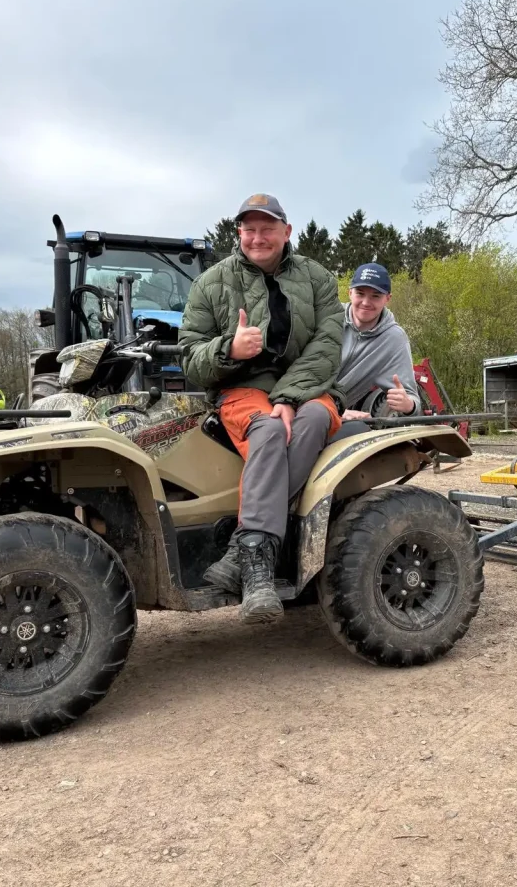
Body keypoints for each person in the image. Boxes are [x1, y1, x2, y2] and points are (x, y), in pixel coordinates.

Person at [179, 193, 345, 624]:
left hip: (310, 387)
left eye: (267, 228)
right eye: (249, 229)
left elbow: (327, 346)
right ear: (239, 234)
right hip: (243, 387)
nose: (258, 237)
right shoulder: (211, 283)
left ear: (286, 232)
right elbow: (190, 359)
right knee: (268, 432)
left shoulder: (319, 279)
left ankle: (243, 551)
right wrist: (228, 349)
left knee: (311, 419)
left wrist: (289, 397)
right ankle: (259, 573)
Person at [337, 263, 421, 421]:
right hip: (299, 402)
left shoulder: (394, 339)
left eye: (375, 296)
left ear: (387, 299)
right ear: (350, 293)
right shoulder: (328, 317)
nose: (366, 302)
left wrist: (408, 405)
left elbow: (412, 399)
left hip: (328, 415)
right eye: (360, 293)